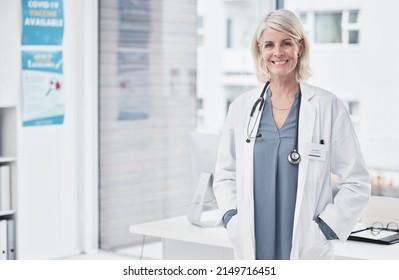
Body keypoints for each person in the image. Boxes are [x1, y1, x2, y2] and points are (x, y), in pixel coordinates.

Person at [212, 9, 371, 260]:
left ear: (300, 47)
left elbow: (357, 182)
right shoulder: (242, 108)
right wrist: (232, 218)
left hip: (305, 248)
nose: (278, 52)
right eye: (269, 45)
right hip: (252, 244)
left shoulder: (327, 107)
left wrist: (326, 228)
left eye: (286, 43)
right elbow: (224, 175)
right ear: (259, 50)